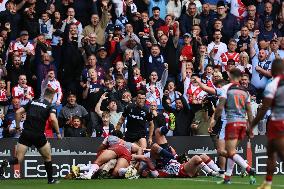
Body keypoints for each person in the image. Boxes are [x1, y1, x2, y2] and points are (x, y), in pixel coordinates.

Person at [0, 87, 61, 184]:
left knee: (18, 159)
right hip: (38, 135)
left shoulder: (32, 102)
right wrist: (57, 133)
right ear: (52, 96)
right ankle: (51, 180)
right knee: (47, 157)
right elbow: (53, 119)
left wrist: (17, 127)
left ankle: (6, 162)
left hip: (26, 133)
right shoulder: (50, 106)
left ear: (44, 93)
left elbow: (18, 112)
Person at [212, 68, 256, 184]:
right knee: (232, 151)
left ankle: (248, 168)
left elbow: (220, 107)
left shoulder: (226, 88)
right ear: (240, 77)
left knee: (230, 152)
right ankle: (227, 178)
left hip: (232, 122)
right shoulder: (245, 91)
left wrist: (214, 120)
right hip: (242, 123)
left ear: (230, 76)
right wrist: (250, 128)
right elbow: (249, 111)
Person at [250, 59, 284, 189]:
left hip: (278, 122)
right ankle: (267, 183)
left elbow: (264, 108)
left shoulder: (273, 84)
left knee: (280, 153)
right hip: (277, 122)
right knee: (271, 152)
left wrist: (252, 124)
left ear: (274, 70)